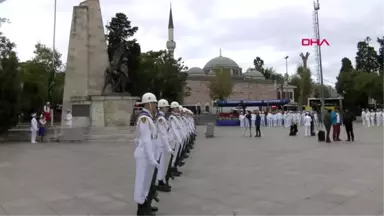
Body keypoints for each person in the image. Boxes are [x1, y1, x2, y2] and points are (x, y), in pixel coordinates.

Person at [133, 92, 160, 216]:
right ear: (149, 104)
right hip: (144, 154)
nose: (156, 106)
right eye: (154, 103)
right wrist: (151, 158)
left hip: (147, 154)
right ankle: (141, 209)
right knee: (141, 181)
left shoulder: (149, 118)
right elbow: (146, 140)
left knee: (146, 181)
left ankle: (145, 205)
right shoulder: (144, 119)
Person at [154, 99, 174, 192]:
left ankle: (160, 180)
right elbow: (163, 134)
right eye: (166, 107)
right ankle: (159, 182)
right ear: (163, 107)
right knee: (160, 165)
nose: (167, 109)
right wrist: (168, 147)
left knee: (161, 164)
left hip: (160, 144)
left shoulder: (161, 117)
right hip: (159, 144)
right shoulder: (161, 118)